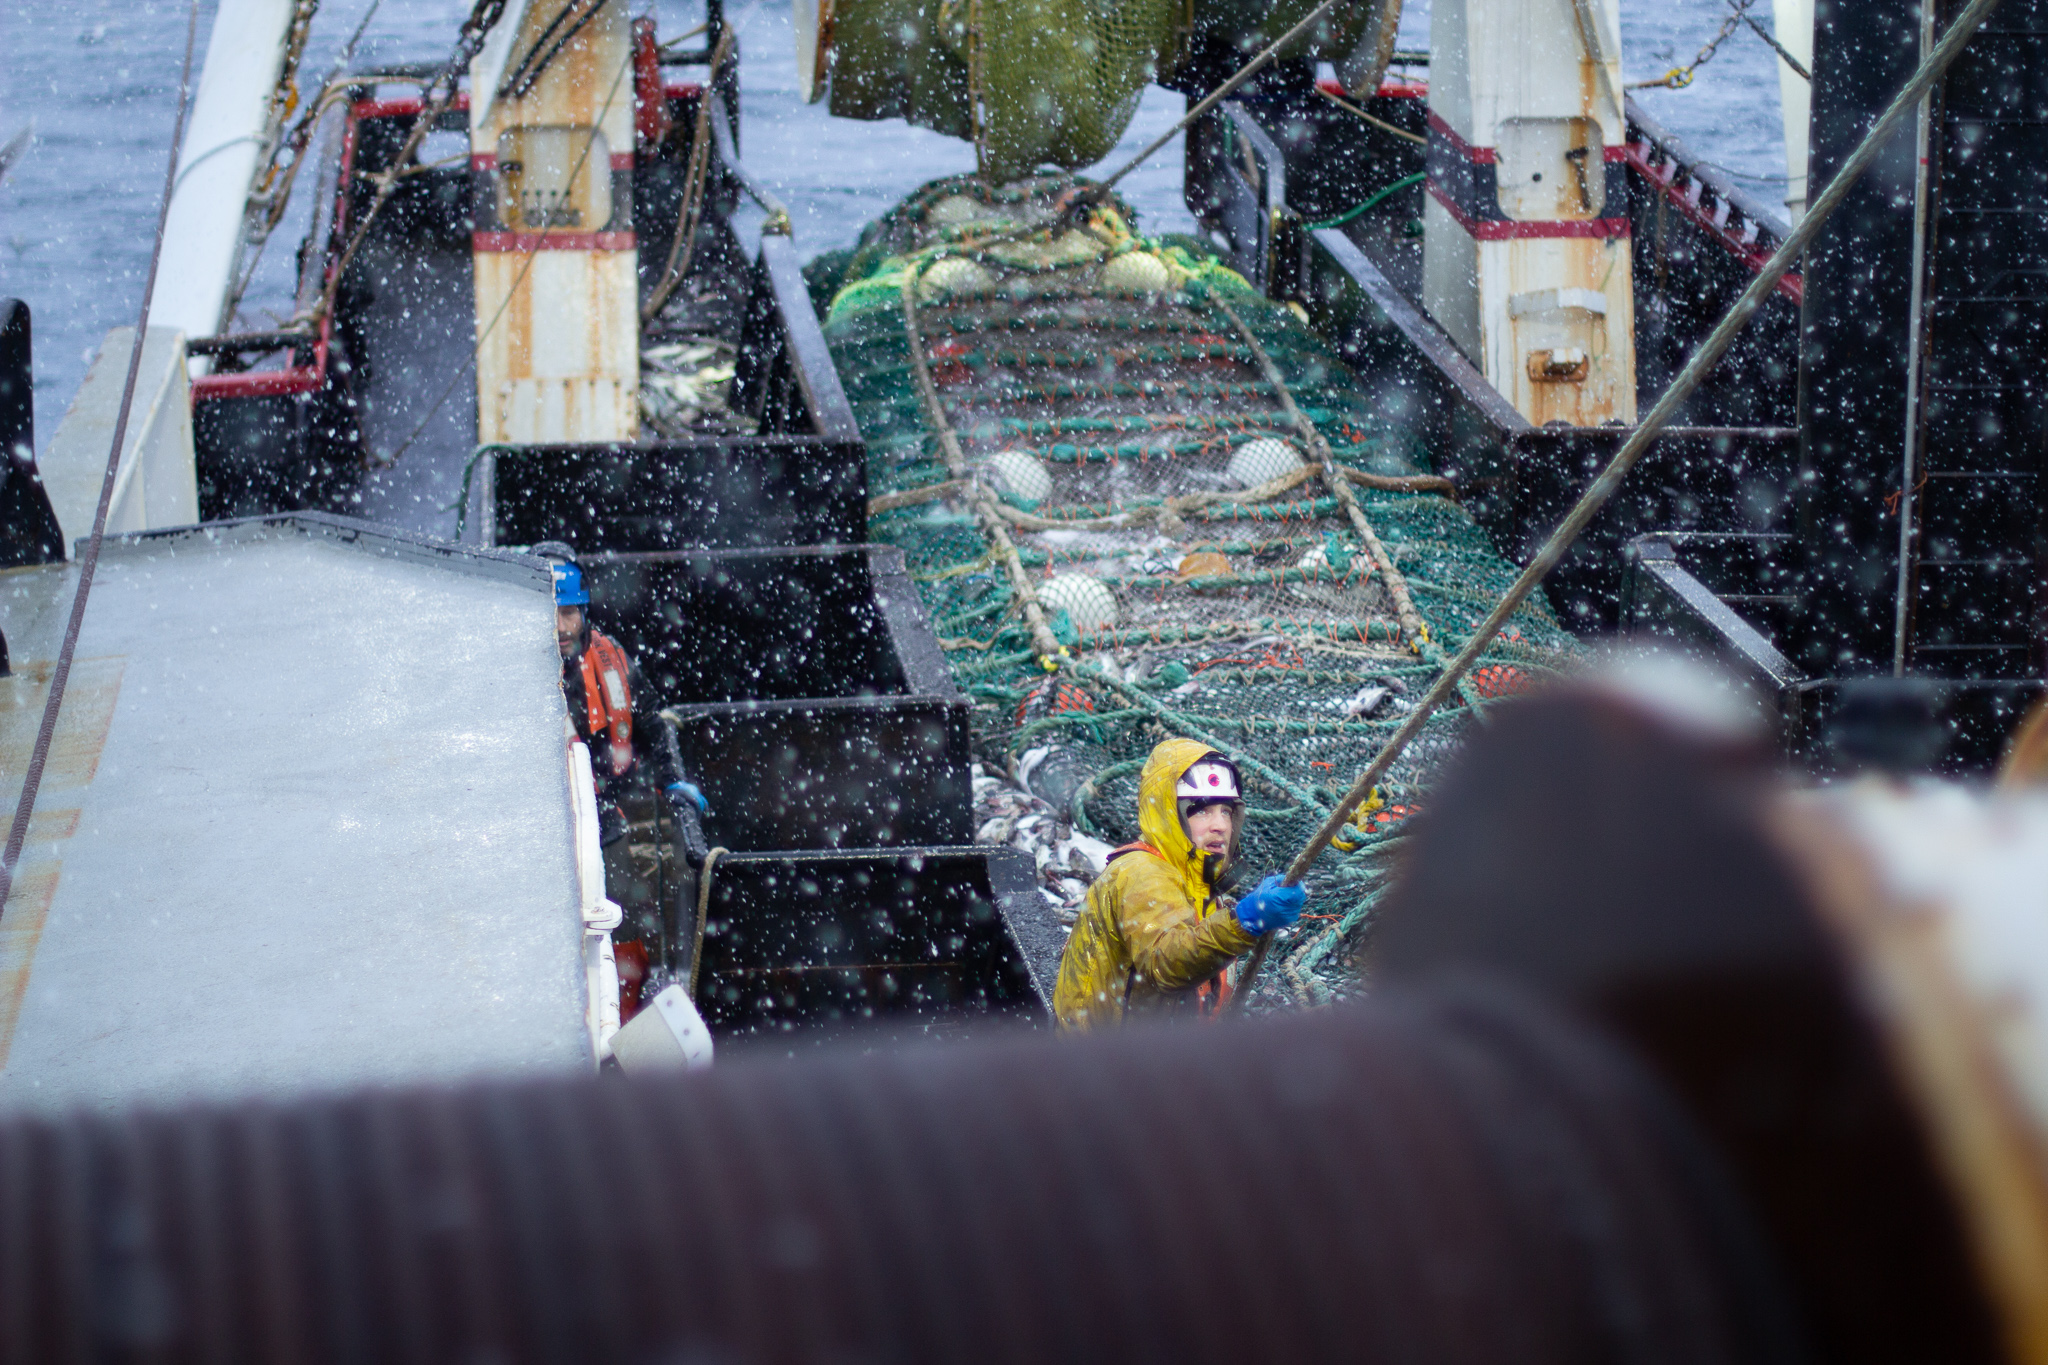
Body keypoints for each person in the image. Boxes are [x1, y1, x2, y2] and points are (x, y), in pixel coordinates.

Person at [1053, 737, 1307, 1029]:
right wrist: (1244, 921)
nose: (1220, 825)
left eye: (1226, 811)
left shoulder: (1198, 882)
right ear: (1168, 815)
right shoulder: (1141, 873)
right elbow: (1166, 963)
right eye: (1202, 810)